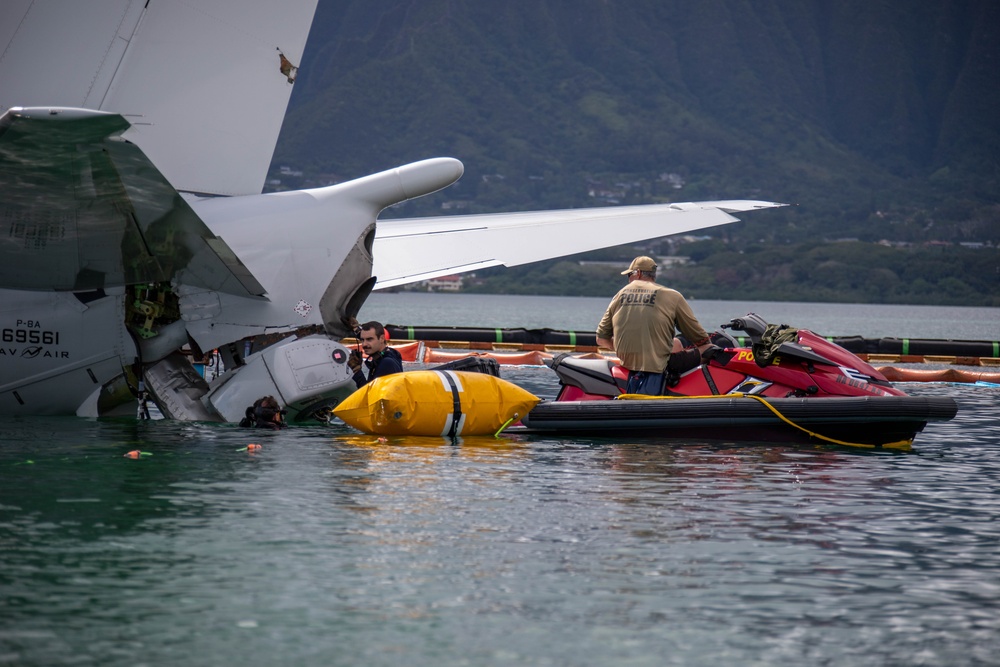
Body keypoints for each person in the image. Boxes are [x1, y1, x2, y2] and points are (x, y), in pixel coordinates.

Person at [596, 256, 714, 395]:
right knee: (709, 349)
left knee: (676, 342)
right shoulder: (672, 295)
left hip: (627, 362)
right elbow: (701, 339)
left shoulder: (619, 294)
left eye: (629, 274)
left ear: (638, 273)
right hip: (660, 365)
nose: (628, 279)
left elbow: (601, 339)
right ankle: (690, 390)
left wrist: (630, 348)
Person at [348, 320, 403, 388]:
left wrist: (356, 370)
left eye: (369, 339)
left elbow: (370, 395)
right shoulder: (391, 353)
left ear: (382, 338)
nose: (364, 344)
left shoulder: (386, 364)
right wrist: (356, 329)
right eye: (362, 340)